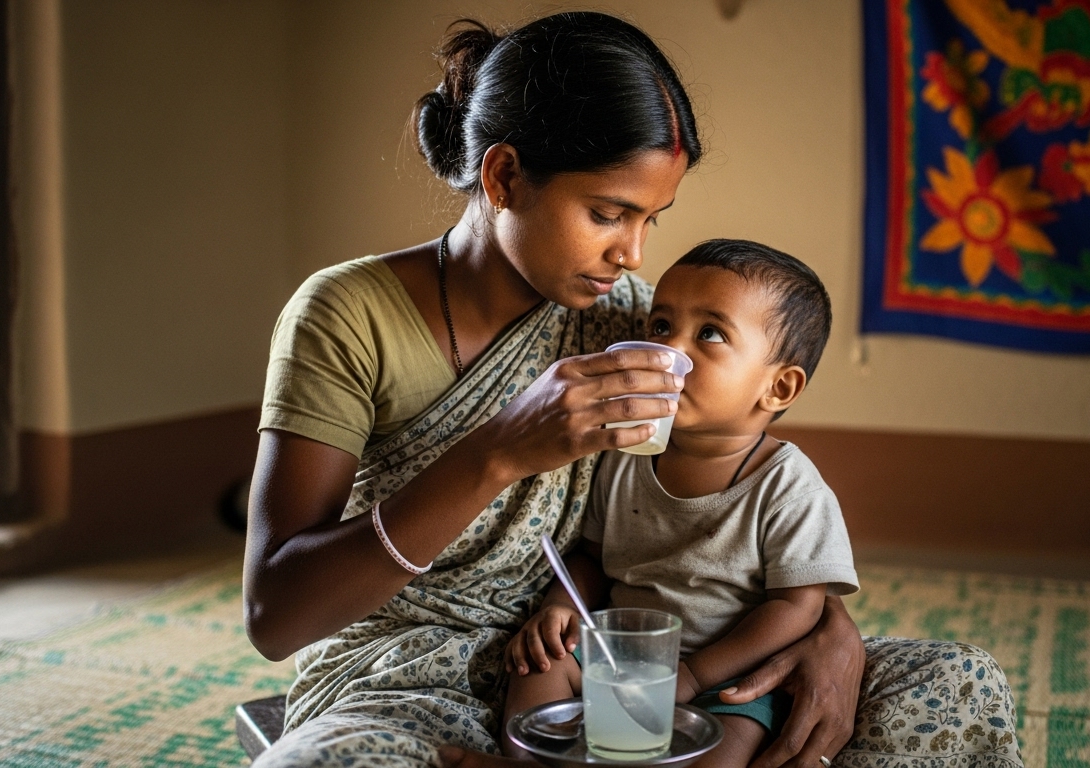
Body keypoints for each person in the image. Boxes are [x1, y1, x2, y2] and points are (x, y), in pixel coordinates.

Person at [244, 11, 1024, 768]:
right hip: (409, 678)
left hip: (621, 658)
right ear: (505, 176)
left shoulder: (628, 321)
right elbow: (276, 617)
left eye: (652, 219)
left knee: (956, 685)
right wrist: (497, 453)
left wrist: (832, 635)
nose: (633, 253)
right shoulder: (346, 316)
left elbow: (731, 513)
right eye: (609, 213)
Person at [501, 240, 861, 768]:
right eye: (661, 326)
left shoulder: (789, 487)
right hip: (622, 654)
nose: (669, 350)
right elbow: (593, 557)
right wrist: (560, 607)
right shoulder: (626, 454)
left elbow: (797, 608)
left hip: (729, 676)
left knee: (732, 738)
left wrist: (694, 675)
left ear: (778, 387)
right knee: (540, 664)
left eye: (709, 333)